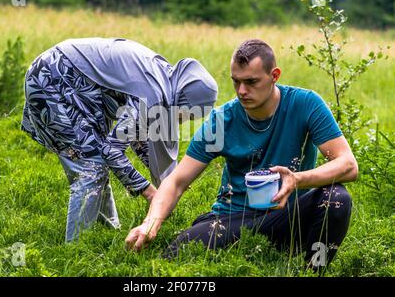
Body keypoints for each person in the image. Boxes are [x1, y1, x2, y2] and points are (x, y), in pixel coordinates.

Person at [125, 39, 358, 272]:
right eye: (236, 82)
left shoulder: (305, 104)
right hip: (234, 219)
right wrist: (150, 223)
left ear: (274, 75)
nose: (242, 91)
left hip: (288, 217)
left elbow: (348, 165)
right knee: (177, 253)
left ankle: (313, 271)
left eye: (251, 82)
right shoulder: (222, 120)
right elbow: (176, 181)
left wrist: (297, 180)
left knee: (337, 198)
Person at [21, 37, 218, 242]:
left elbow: (135, 134)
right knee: (91, 166)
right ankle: (77, 246)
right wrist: (149, 192)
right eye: (186, 115)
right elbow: (111, 150)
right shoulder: (151, 96)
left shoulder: (164, 79)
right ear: (184, 99)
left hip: (71, 82)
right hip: (53, 80)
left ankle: (106, 231)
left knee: (94, 159)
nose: (183, 121)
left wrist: (170, 181)